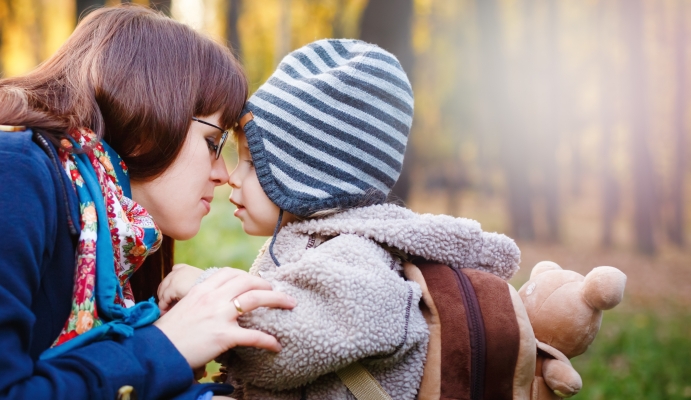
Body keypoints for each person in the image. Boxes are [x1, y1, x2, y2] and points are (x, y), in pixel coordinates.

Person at [160, 39, 521, 399]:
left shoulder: (356, 257)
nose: (232, 178)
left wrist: (205, 294)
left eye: (253, 164)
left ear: (311, 178)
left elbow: (289, 344)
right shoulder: (304, 244)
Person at [0, 5, 295, 400]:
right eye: (212, 143)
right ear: (149, 118)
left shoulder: (126, 237)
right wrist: (165, 345)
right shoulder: (16, 173)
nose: (223, 175)